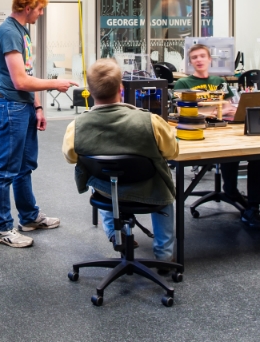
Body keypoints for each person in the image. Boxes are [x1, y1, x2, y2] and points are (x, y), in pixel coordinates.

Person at [62, 57, 177, 268]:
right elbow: (171, 152)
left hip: (108, 192)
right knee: (166, 194)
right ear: (121, 88)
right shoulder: (150, 121)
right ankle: (164, 256)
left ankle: (117, 237)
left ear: (90, 90)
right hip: (150, 191)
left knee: (100, 179)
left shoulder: (76, 127)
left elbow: (71, 158)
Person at [0, 0, 78, 248]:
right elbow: (19, 81)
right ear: (27, 8)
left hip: (24, 107)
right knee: (5, 170)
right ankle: (1, 228)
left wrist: (38, 107)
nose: (41, 14)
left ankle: (28, 217)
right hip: (10, 106)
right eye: (39, 9)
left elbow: (26, 73)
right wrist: (54, 84)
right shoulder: (8, 32)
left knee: (25, 166)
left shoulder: (22, 31)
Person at [174, 44, 260, 230]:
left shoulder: (219, 81)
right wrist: (217, 108)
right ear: (190, 62)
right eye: (194, 57)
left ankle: (253, 207)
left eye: (202, 56)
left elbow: (231, 105)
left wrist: (219, 108)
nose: (199, 60)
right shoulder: (183, 84)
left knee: (259, 155)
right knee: (228, 156)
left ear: (209, 60)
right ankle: (231, 190)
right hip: (201, 132)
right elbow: (184, 111)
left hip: (226, 129)